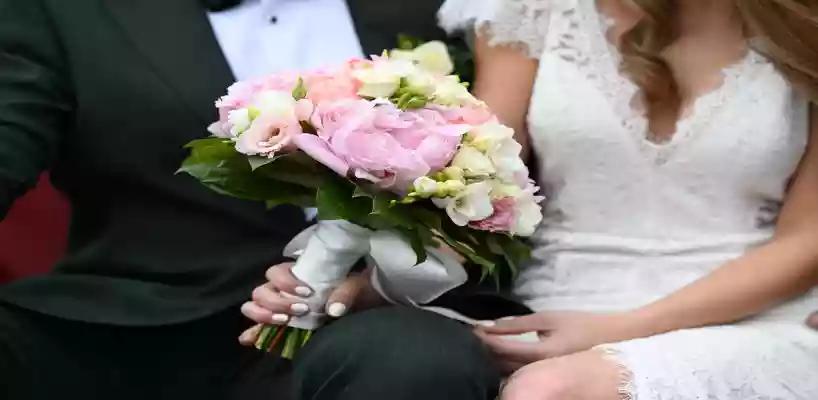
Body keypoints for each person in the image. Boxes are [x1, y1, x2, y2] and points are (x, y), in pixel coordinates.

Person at [242, 0, 818, 399]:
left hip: (751, 317)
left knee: (547, 390)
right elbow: (478, 189)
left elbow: (807, 240)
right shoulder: (528, 12)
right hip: (549, 310)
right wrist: (371, 284)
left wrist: (623, 329)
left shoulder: (804, 25)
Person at [0, 0, 464, 398]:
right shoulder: (61, 10)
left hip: (366, 315)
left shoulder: (432, 8)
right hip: (127, 323)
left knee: (416, 358)